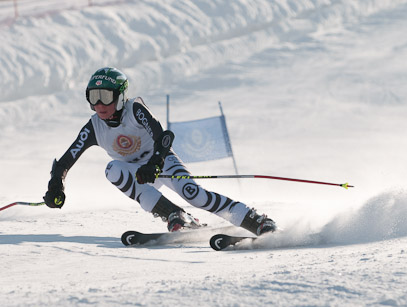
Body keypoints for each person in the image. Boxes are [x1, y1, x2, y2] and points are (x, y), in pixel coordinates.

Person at [43, 67, 276, 235]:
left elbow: (163, 137)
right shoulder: (94, 125)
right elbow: (66, 160)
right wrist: (56, 184)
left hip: (161, 163)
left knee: (193, 193)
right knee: (113, 170)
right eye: (93, 98)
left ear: (121, 96)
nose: (99, 105)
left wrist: (154, 163)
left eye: (105, 97)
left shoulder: (135, 109)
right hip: (138, 172)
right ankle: (174, 214)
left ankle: (254, 220)